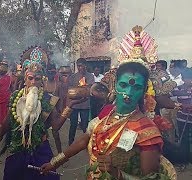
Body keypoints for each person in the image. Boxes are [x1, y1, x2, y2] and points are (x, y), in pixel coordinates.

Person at [41, 61, 170, 179]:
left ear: (143, 91)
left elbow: (150, 178)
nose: (129, 92)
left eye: (137, 88)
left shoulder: (147, 131)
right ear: (115, 85)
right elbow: (85, 138)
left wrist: (117, 174)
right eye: (123, 85)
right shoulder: (108, 111)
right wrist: (55, 162)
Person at [0, 61, 85, 180]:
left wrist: (70, 105)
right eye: (30, 78)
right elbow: (8, 121)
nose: (33, 82)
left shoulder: (48, 99)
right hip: (17, 148)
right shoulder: (16, 96)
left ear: (42, 81)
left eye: (37, 78)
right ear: (25, 79)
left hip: (40, 148)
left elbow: (55, 127)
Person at [68, 58, 94, 145]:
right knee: (73, 124)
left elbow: (90, 88)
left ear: (85, 66)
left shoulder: (90, 76)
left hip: (85, 104)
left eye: (81, 66)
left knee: (84, 125)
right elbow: (71, 90)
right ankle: (70, 142)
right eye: (78, 66)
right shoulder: (73, 77)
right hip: (75, 104)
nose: (79, 68)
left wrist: (82, 88)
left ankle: (86, 143)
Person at [44, 63, 62, 153]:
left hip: (53, 112)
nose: (51, 75)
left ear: (55, 74)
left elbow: (59, 99)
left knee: (55, 132)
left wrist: (59, 111)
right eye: (49, 73)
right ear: (46, 73)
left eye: (53, 73)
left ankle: (60, 154)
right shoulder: (43, 83)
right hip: (43, 111)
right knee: (41, 131)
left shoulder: (58, 84)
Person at [0, 61, 11, 125]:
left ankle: (2, 125)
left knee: (3, 112)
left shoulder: (8, 77)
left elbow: (7, 88)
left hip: (4, 97)